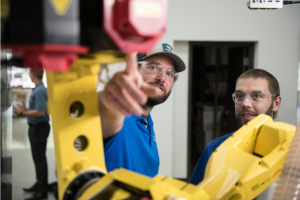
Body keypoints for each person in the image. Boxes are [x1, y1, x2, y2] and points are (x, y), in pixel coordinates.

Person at [98, 43, 186, 177]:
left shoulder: (148, 122)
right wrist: (109, 98)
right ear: (135, 70)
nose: (162, 78)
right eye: (153, 67)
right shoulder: (119, 113)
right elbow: (107, 113)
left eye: (169, 73)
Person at [189, 69, 282, 185]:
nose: (245, 103)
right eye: (239, 96)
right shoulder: (215, 149)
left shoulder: (291, 151)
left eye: (256, 95)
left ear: (276, 103)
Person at [13, 69, 50, 200]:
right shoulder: (38, 89)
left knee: (39, 159)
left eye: (30, 72)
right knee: (38, 159)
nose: (29, 74)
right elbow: (38, 109)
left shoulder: (40, 91)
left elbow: (40, 112)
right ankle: (39, 183)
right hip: (36, 128)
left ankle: (42, 191)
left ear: (33, 75)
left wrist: (22, 113)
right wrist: (27, 109)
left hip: (38, 128)